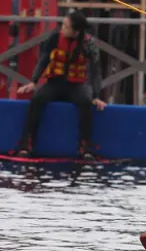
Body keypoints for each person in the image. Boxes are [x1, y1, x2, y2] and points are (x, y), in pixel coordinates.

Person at [14, 11, 107, 158]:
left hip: (76, 86)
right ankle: (26, 144)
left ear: (76, 32)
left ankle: (86, 147)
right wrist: (34, 81)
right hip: (54, 84)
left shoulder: (89, 45)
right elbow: (44, 59)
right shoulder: (54, 38)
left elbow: (96, 71)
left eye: (65, 27)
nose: (61, 28)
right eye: (62, 25)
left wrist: (96, 96)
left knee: (85, 101)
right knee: (37, 99)